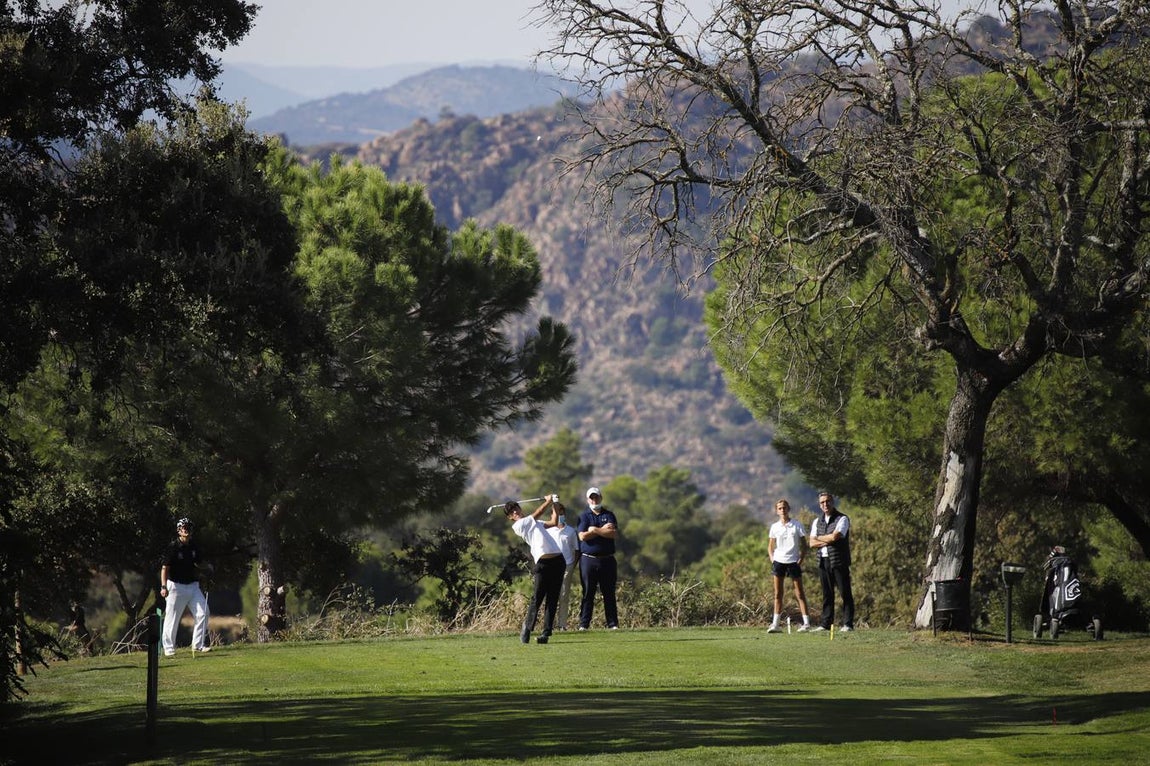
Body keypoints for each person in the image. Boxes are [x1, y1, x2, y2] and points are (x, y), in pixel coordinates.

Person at [505, 496, 566, 644]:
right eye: (511, 512)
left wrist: (555, 504)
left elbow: (554, 522)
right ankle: (527, 627)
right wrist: (548, 501)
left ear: (520, 508)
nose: (515, 512)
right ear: (510, 518)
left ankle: (546, 633)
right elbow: (538, 512)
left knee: (552, 598)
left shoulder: (535, 522)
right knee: (537, 598)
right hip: (542, 563)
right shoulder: (519, 525)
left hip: (558, 560)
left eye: (516, 508)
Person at [159, 517, 213, 656]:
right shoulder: (173, 547)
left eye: (188, 527)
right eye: (183, 527)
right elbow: (165, 568)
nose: (186, 530)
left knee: (203, 612)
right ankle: (169, 649)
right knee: (172, 618)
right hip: (176, 586)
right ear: (179, 530)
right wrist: (163, 587)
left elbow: (199, 562)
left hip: (193, 586)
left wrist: (208, 568)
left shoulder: (193, 546)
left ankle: (198, 645)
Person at [809, 491, 854, 632]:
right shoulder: (817, 521)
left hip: (839, 560)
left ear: (832, 502)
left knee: (845, 592)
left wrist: (820, 538)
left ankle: (848, 624)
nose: (825, 504)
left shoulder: (842, 519)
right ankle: (825, 624)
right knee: (827, 594)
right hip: (823, 560)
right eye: (822, 502)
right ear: (819, 504)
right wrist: (827, 539)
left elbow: (836, 537)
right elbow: (811, 543)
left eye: (827, 501)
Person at [577, 486, 620, 630]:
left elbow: (613, 533)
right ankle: (584, 624)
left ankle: (612, 624)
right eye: (591, 497)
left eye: (596, 497)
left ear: (601, 498)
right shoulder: (584, 516)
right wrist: (603, 530)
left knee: (609, 593)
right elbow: (582, 536)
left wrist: (594, 530)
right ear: (588, 499)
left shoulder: (609, 515)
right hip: (588, 560)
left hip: (607, 559)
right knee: (588, 593)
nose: (594, 499)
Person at [767, 498, 812, 632]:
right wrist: (773, 559)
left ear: (788, 509)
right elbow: (770, 546)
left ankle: (806, 624)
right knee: (778, 593)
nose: (782, 510)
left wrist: (800, 560)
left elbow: (804, 545)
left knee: (799, 593)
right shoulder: (774, 526)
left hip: (793, 561)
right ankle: (775, 625)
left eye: (784, 507)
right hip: (779, 562)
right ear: (777, 511)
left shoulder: (797, 525)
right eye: (780, 508)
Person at [545, 501, 581, 630]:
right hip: (551, 567)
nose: (560, 515)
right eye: (557, 513)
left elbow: (577, 550)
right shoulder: (547, 530)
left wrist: (572, 565)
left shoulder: (571, 531)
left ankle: (562, 625)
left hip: (567, 566)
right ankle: (548, 625)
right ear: (552, 515)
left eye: (562, 513)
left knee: (564, 596)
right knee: (551, 596)